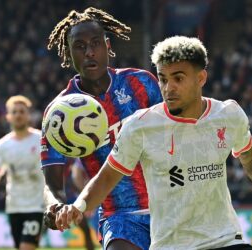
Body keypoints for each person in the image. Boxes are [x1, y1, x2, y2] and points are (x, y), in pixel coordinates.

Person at [53, 36, 252, 250]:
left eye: (178, 78)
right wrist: (78, 205)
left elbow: (251, 158)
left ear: (201, 78)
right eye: (163, 79)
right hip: (171, 244)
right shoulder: (140, 126)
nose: (168, 88)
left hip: (225, 239)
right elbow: (107, 177)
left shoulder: (228, 115)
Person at [41, 7, 162, 250]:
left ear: (107, 45)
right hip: (120, 217)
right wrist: (55, 206)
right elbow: (53, 186)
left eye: (95, 43)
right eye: (80, 46)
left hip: (169, 206)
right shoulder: (58, 114)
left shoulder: (141, 83)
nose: (89, 52)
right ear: (69, 53)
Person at [0, 95, 45, 250]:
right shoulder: (3, 145)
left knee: (26, 247)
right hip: (14, 206)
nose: (18, 115)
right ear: (8, 116)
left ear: (28, 115)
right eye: (14, 112)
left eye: (22, 111)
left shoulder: (41, 139)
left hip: (37, 206)